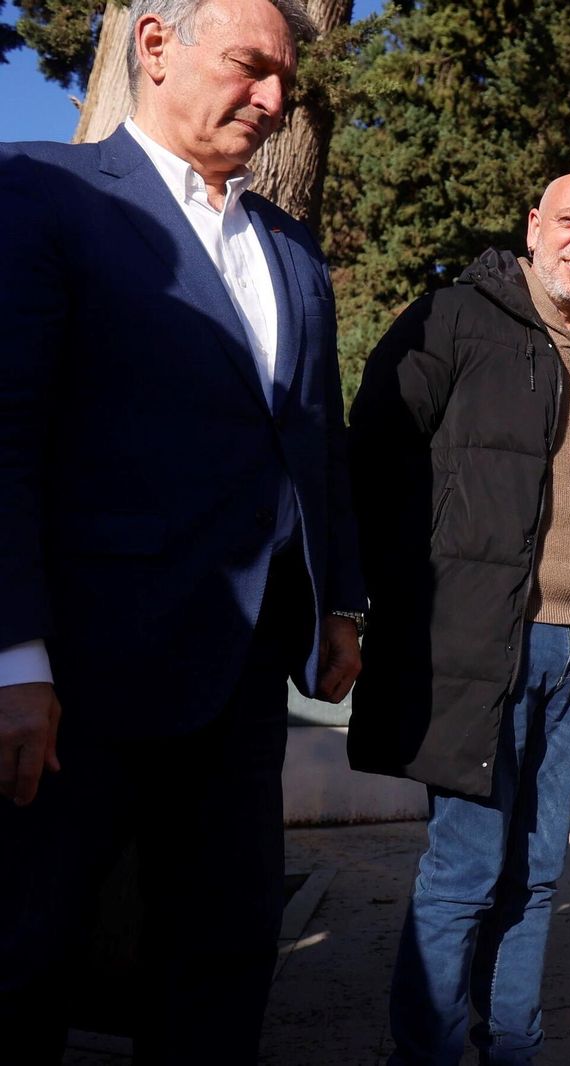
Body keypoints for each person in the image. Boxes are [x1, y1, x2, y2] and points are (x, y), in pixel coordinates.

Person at [0, 0, 364, 1059]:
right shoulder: (42, 193)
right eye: (252, 68)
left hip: (243, 682)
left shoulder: (293, 252)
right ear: (155, 46)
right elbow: (8, 431)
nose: (275, 101)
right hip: (80, 679)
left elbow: (315, 440)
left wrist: (339, 599)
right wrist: (15, 657)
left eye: (285, 81)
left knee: (223, 953)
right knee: (26, 951)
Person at [345, 172, 570, 1065]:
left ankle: (513, 1046)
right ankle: (433, 1051)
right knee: (467, 870)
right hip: (481, 642)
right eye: (569, 221)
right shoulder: (454, 319)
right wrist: (392, 601)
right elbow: (376, 456)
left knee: (539, 872)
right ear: (533, 227)